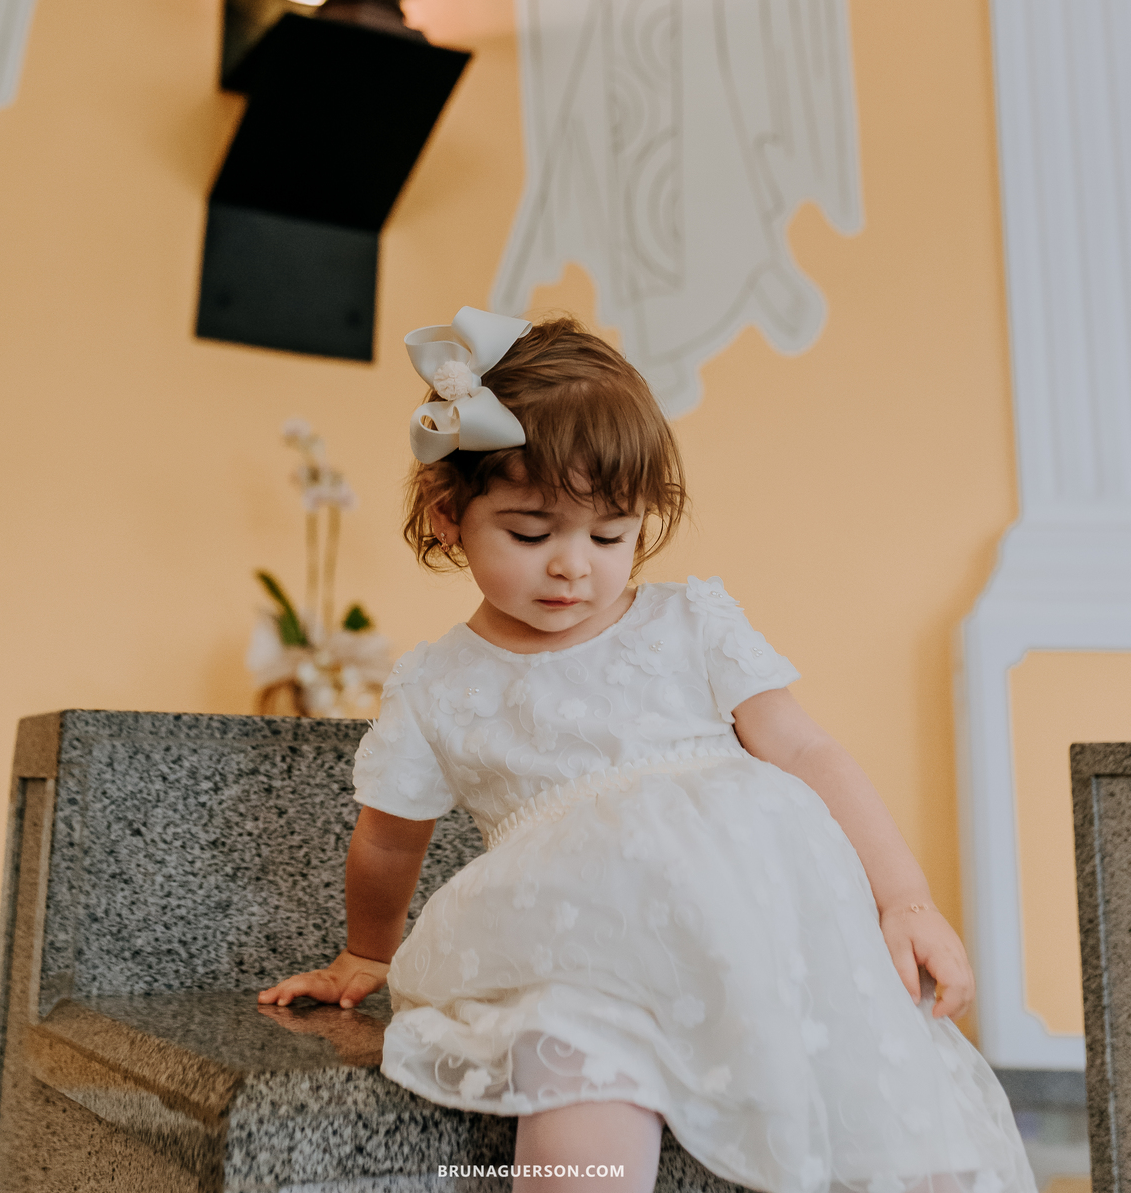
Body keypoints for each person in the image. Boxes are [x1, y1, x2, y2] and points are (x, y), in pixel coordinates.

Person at [259, 310, 1034, 1193]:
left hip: (759, 930)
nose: (572, 568)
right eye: (530, 531)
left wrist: (905, 899)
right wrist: (368, 952)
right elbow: (390, 838)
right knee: (578, 1075)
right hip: (579, 951)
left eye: (608, 534)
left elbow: (808, 752)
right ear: (448, 520)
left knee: (884, 1103)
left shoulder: (689, 623)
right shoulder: (438, 685)